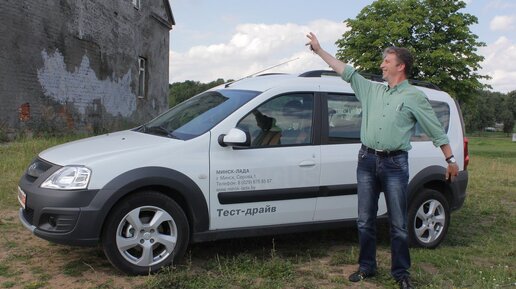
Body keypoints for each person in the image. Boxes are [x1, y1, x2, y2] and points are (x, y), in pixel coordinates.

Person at [305, 32, 459, 289]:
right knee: (365, 220)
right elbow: (346, 70)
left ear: (401, 66)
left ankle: (401, 273)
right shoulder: (372, 90)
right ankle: (367, 267)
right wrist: (320, 51)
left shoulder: (414, 97)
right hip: (366, 161)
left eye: (386, 61)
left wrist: (451, 159)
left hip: (395, 165)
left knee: (398, 224)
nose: (382, 65)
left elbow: (435, 129)